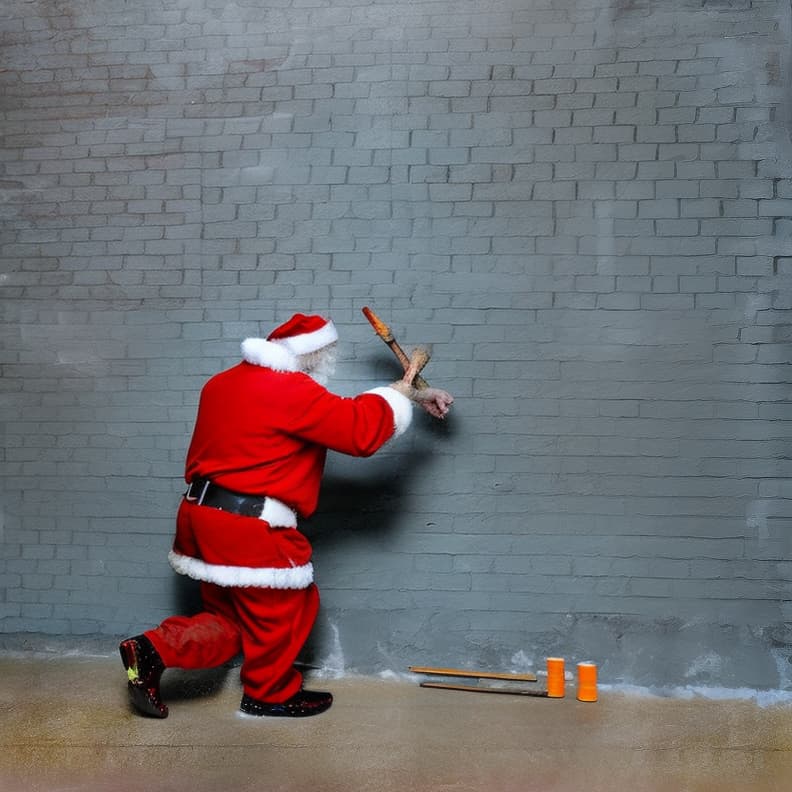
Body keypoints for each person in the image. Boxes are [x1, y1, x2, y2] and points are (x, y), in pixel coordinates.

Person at [119, 313, 454, 718]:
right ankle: (269, 694)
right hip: (249, 525)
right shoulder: (291, 390)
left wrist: (406, 394)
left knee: (231, 618)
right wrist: (401, 393)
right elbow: (357, 431)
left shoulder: (222, 383)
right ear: (313, 354)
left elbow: (332, 413)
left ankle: (152, 649)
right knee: (289, 609)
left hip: (200, 517)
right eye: (326, 355)